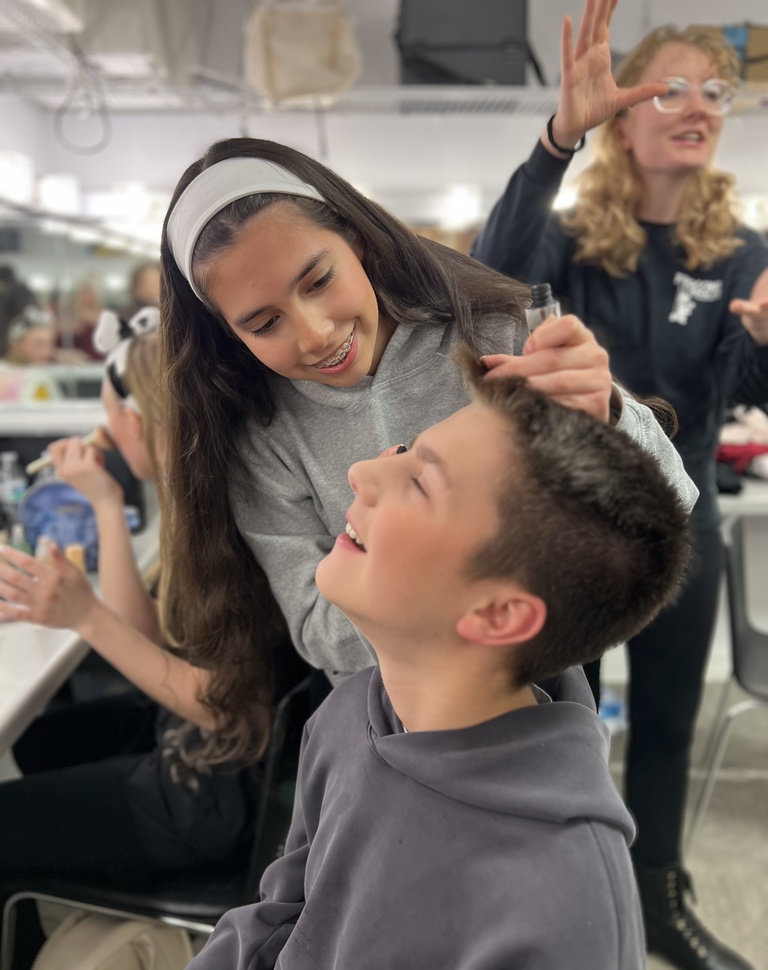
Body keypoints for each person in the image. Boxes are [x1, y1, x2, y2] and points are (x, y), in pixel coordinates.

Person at [117, 361, 691, 970]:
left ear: (498, 613)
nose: (362, 472)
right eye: (404, 449)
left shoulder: (565, 920)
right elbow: (278, 924)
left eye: (419, 481)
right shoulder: (349, 716)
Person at [154, 134, 697, 730]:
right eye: (263, 324)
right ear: (228, 334)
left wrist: (607, 420)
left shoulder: (497, 339)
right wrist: (448, 611)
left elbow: (664, 505)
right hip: (383, 726)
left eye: (319, 281)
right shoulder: (263, 439)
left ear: (355, 240)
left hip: (538, 702)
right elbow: (315, 628)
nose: (314, 334)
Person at [471, 0, 768, 970]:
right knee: (564, 724)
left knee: (671, 726)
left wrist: (767, 342)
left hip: (688, 518)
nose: (699, 105)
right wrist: (558, 138)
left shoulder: (742, 254)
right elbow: (487, 282)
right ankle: (566, 908)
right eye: (671, 87)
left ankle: (657, 896)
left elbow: (753, 391)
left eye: (714, 91)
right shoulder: (569, 241)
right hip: (575, 520)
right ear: (626, 112)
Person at [0, 306, 293, 888]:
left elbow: (226, 708)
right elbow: (148, 640)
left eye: (109, 417)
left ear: (135, 424)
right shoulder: (197, 499)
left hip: (208, 796)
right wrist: (106, 502)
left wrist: (86, 615)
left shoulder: (228, 525)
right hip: (190, 744)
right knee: (31, 744)